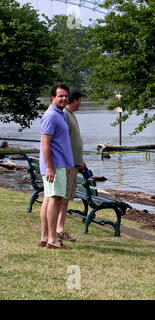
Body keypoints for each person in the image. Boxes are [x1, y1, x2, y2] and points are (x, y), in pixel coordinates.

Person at [39, 84, 74, 250]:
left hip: (60, 164)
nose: (64, 99)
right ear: (52, 97)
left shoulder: (59, 114)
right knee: (55, 199)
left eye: (66, 96)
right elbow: (45, 142)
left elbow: (60, 143)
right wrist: (51, 167)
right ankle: (53, 239)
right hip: (54, 165)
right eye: (60, 96)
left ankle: (45, 238)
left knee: (48, 198)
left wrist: (66, 163)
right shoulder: (51, 116)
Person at [56, 88, 87, 242]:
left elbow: (73, 140)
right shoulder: (65, 115)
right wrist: (68, 161)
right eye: (81, 99)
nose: (81, 102)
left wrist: (80, 158)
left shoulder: (72, 115)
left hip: (74, 162)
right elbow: (64, 140)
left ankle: (60, 228)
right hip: (68, 165)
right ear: (76, 100)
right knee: (63, 197)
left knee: (67, 197)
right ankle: (59, 229)